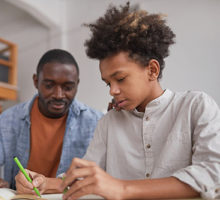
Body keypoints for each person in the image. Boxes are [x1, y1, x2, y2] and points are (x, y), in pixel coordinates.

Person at [60, 3, 220, 200]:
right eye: (107, 83)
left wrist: (121, 188)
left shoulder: (196, 106)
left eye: (120, 79)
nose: (112, 90)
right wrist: (43, 182)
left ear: (152, 70)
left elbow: (213, 174)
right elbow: (86, 178)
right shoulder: (109, 122)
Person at [0, 49, 103, 194]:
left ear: (77, 84)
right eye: (49, 85)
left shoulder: (96, 122)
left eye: (68, 87)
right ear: (36, 81)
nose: (59, 95)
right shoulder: (9, 120)